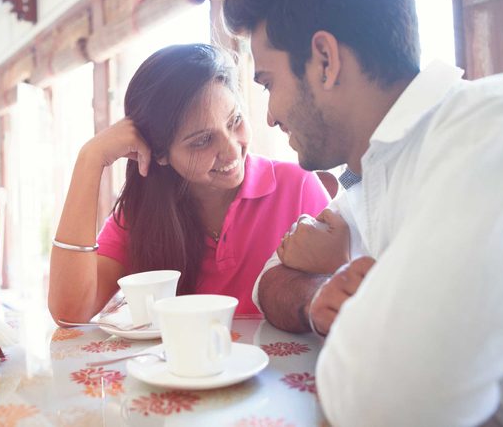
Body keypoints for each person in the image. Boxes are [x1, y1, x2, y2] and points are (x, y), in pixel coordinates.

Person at [223, 0, 503, 425]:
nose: (270, 116)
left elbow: (383, 402)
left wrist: (355, 286)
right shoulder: (373, 172)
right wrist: (320, 293)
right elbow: (266, 284)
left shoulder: (502, 128)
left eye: (268, 83)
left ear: (325, 60)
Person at [48, 43, 330, 323]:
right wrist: (90, 159)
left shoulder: (299, 187)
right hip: (184, 368)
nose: (232, 150)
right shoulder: (143, 214)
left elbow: (343, 302)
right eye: (203, 141)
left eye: (235, 121)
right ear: (160, 154)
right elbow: (71, 312)